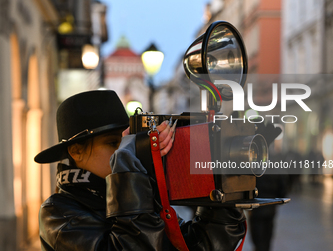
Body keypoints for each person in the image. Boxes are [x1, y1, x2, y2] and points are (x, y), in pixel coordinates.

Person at [35, 90, 246, 251]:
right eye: (113, 142)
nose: (123, 150)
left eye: (127, 141)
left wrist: (223, 191)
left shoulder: (139, 192)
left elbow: (199, 246)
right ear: (76, 151)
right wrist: (129, 173)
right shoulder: (56, 213)